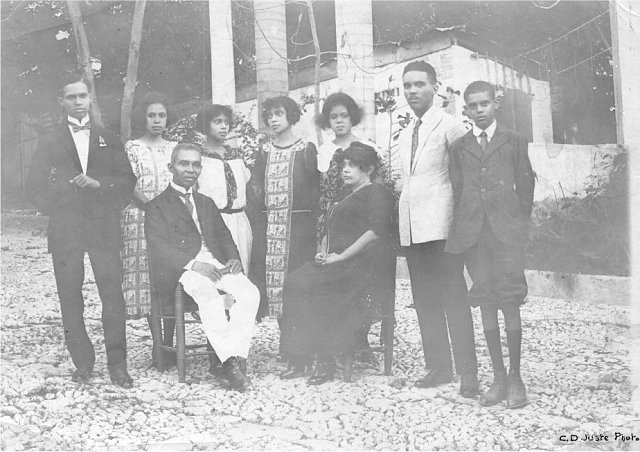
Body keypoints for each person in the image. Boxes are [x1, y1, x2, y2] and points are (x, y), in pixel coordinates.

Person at [26, 73, 136, 388]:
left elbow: (128, 181)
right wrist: (59, 203)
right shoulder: (49, 140)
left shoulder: (108, 137)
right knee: (70, 297)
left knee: (112, 296)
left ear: (89, 98)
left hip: (103, 228)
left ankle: (118, 365)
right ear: (61, 102)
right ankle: (83, 363)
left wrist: (100, 184)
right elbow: (33, 186)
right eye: (71, 97)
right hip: (66, 229)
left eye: (82, 96)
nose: (78, 102)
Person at [446, 81, 535, 408]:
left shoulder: (513, 141)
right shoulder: (459, 146)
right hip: (474, 237)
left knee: (509, 300)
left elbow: (526, 188)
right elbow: (458, 191)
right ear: (466, 109)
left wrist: (516, 225)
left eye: (484, 103)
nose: (479, 109)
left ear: (495, 104)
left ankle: (515, 377)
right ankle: (497, 377)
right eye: (473, 105)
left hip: (507, 235)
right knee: (485, 300)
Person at [145, 143, 260, 392]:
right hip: (183, 271)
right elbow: (159, 247)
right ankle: (228, 363)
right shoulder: (157, 206)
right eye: (183, 163)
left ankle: (230, 357)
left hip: (216, 265)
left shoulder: (206, 202)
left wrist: (233, 257)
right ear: (171, 167)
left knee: (250, 293)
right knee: (208, 295)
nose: (190, 169)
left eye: (196, 164)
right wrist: (194, 264)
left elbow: (224, 235)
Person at [280, 143, 396, 384]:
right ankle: (300, 356)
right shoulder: (344, 195)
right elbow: (327, 231)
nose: (346, 170)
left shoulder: (378, 192)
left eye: (353, 166)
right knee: (294, 282)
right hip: (335, 260)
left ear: (370, 168)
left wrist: (342, 257)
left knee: (322, 288)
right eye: (344, 165)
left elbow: (375, 233)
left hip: (361, 264)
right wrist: (322, 252)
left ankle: (326, 360)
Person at [398, 60, 479, 397]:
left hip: (443, 228)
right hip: (413, 229)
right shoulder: (405, 133)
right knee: (424, 300)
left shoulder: (450, 127)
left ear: (435, 87)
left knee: (453, 298)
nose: (412, 91)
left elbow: (466, 179)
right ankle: (438, 367)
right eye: (407, 86)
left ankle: (469, 372)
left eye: (419, 84)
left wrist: (463, 225)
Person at [248, 96, 320, 330]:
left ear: (290, 115)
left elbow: (315, 189)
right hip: (270, 229)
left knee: (296, 283)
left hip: (300, 227)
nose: (273, 119)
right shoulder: (265, 151)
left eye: (278, 114)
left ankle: (302, 346)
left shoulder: (306, 149)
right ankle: (285, 342)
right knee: (273, 284)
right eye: (269, 115)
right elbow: (256, 187)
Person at [121, 92, 177, 329]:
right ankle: (158, 347)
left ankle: (170, 342)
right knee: (147, 277)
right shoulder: (133, 148)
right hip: (140, 216)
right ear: (143, 118)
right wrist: (152, 207)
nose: (157, 121)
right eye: (151, 115)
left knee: (172, 276)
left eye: (161, 116)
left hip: (172, 218)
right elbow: (129, 183)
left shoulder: (175, 148)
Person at [196, 104, 252, 272]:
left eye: (226, 122)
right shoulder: (199, 156)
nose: (223, 126)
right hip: (212, 223)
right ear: (206, 125)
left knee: (242, 272)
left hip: (240, 221)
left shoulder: (236, 155)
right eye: (217, 121)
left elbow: (247, 184)